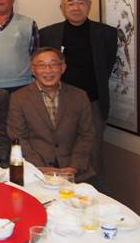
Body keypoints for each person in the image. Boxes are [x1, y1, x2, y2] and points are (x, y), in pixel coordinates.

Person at [39, 0, 117, 176]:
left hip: (92, 102)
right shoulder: (48, 33)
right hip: (56, 102)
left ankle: (91, 190)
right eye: (70, 3)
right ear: (62, 8)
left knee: (92, 153)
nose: (76, 7)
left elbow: (106, 66)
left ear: (89, 5)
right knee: (58, 151)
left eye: (81, 2)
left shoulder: (106, 33)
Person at [7, 47, 95, 182]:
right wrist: (40, 167)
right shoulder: (18, 98)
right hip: (35, 171)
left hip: (74, 171)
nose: (48, 70)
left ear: (63, 68)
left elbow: (86, 134)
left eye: (53, 64)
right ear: (33, 70)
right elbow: (17, 137)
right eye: (41, 65)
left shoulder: (79, 96)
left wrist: (74, 166)